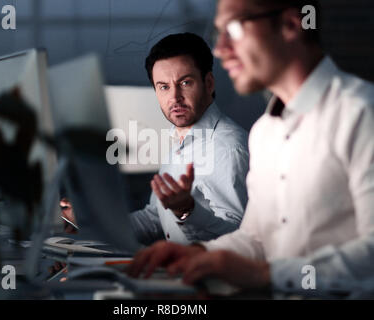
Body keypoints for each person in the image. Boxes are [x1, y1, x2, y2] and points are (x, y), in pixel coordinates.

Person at [128, 0, 374, 297]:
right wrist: (198, 253)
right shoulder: (265, 132)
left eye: (234, 27)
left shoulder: (361, 113)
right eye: (219, 33)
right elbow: (255, 239)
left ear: (291, 24)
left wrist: (266, 274)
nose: (220, 49)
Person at [62, 33, 250, 245]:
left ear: (208, 83)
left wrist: (187, 210)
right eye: (164, 87)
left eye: (185, 83)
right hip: (179, 271)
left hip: (208, 276)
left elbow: (236, 240)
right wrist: (90, 224)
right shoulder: (181, 138)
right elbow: (155, 219)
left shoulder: (227, 148)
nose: (175, 98)